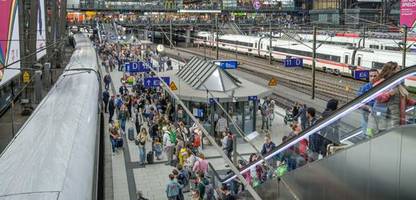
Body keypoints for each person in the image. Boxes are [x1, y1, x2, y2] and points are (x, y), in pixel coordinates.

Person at [357, 69, 379, 136]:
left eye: (375, 76)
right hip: (367, 117)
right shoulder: (364, 88)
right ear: (368, 77)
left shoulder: (382, 87)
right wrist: (368, 107)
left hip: (379, 117)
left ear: (378, 76)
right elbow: (359, 103)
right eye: (371, 76)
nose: (373, 78)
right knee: (366, 134)